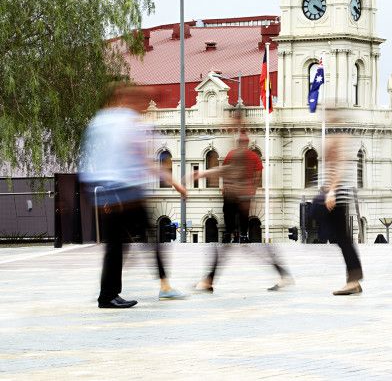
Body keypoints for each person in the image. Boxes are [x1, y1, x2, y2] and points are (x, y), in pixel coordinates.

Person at [80, 83, 187, 309]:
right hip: (126, 192)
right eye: (141, 103)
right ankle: (164, 287)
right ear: (127, 100)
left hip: (102, 191)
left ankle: (108, 294)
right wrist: (174, 181)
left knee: (116, 244)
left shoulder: (98, 121)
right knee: (148, 238)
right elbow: (144, 160)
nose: (143, 107)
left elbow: (89, 156)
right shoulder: (128, 122)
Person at [193, 130, 292, 292]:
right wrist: (251, 189)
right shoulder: (249, 156)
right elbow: (255, 174)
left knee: (230, 242)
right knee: (234, 243)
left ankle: (209, 279)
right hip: (239, 200)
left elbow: (227, 171)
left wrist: (207, 175)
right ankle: (209, 279)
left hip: (236, 201)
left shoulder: (238, 155)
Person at [317, 116, 363, 295]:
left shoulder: (338, 139)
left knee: (343, 239)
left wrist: (332, 191)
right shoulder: (334, 138)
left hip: (336, 195)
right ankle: (354, 280)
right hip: (334, 193)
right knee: (342, 238)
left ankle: (353, 280)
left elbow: (340, 167)